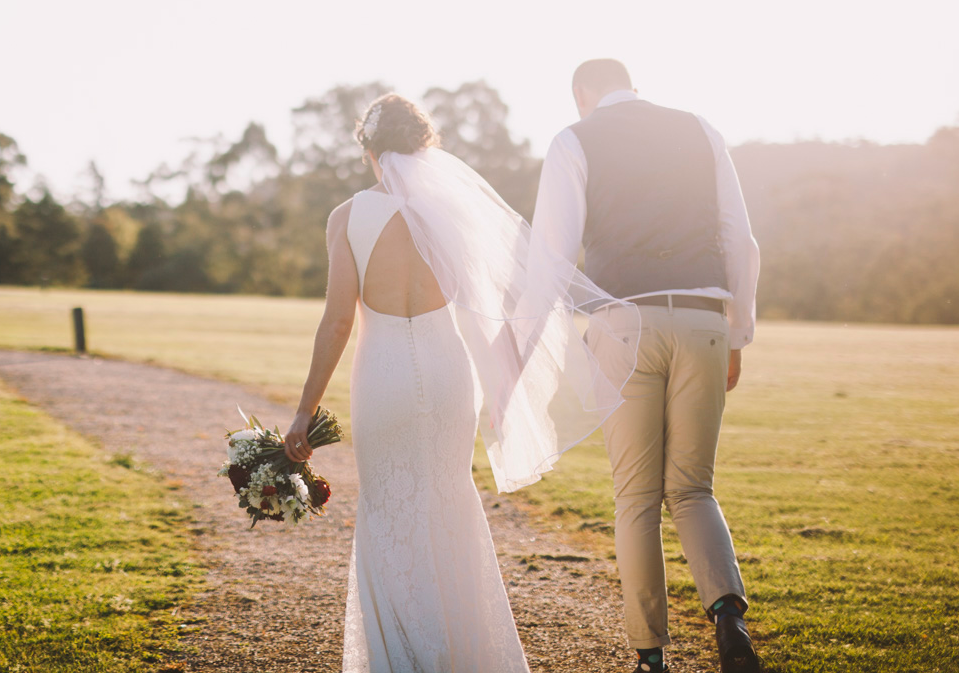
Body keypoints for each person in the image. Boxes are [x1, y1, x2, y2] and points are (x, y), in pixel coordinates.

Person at [284, 93, 639, 672]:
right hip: (451, 374)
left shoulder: (348, 217)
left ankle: (402, 655)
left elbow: (339, 320)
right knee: (448, 504)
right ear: (426, 147)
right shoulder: (450, 211)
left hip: (384, 375)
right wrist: (502, 387)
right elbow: (489, 308)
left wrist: (305, 411)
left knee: (389, 509)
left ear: (370, 151)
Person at [530, 59, 762, 673]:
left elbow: (552, 253)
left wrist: (532, 344)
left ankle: (651, 656)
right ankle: (730, 618)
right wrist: (737, 335)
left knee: (636, 496)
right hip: (704, 320)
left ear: (583, 94)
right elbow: (741, 238)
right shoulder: (700, 129)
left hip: (624, 322)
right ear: (631, 82)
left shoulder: (573, 139)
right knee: (693, 488)